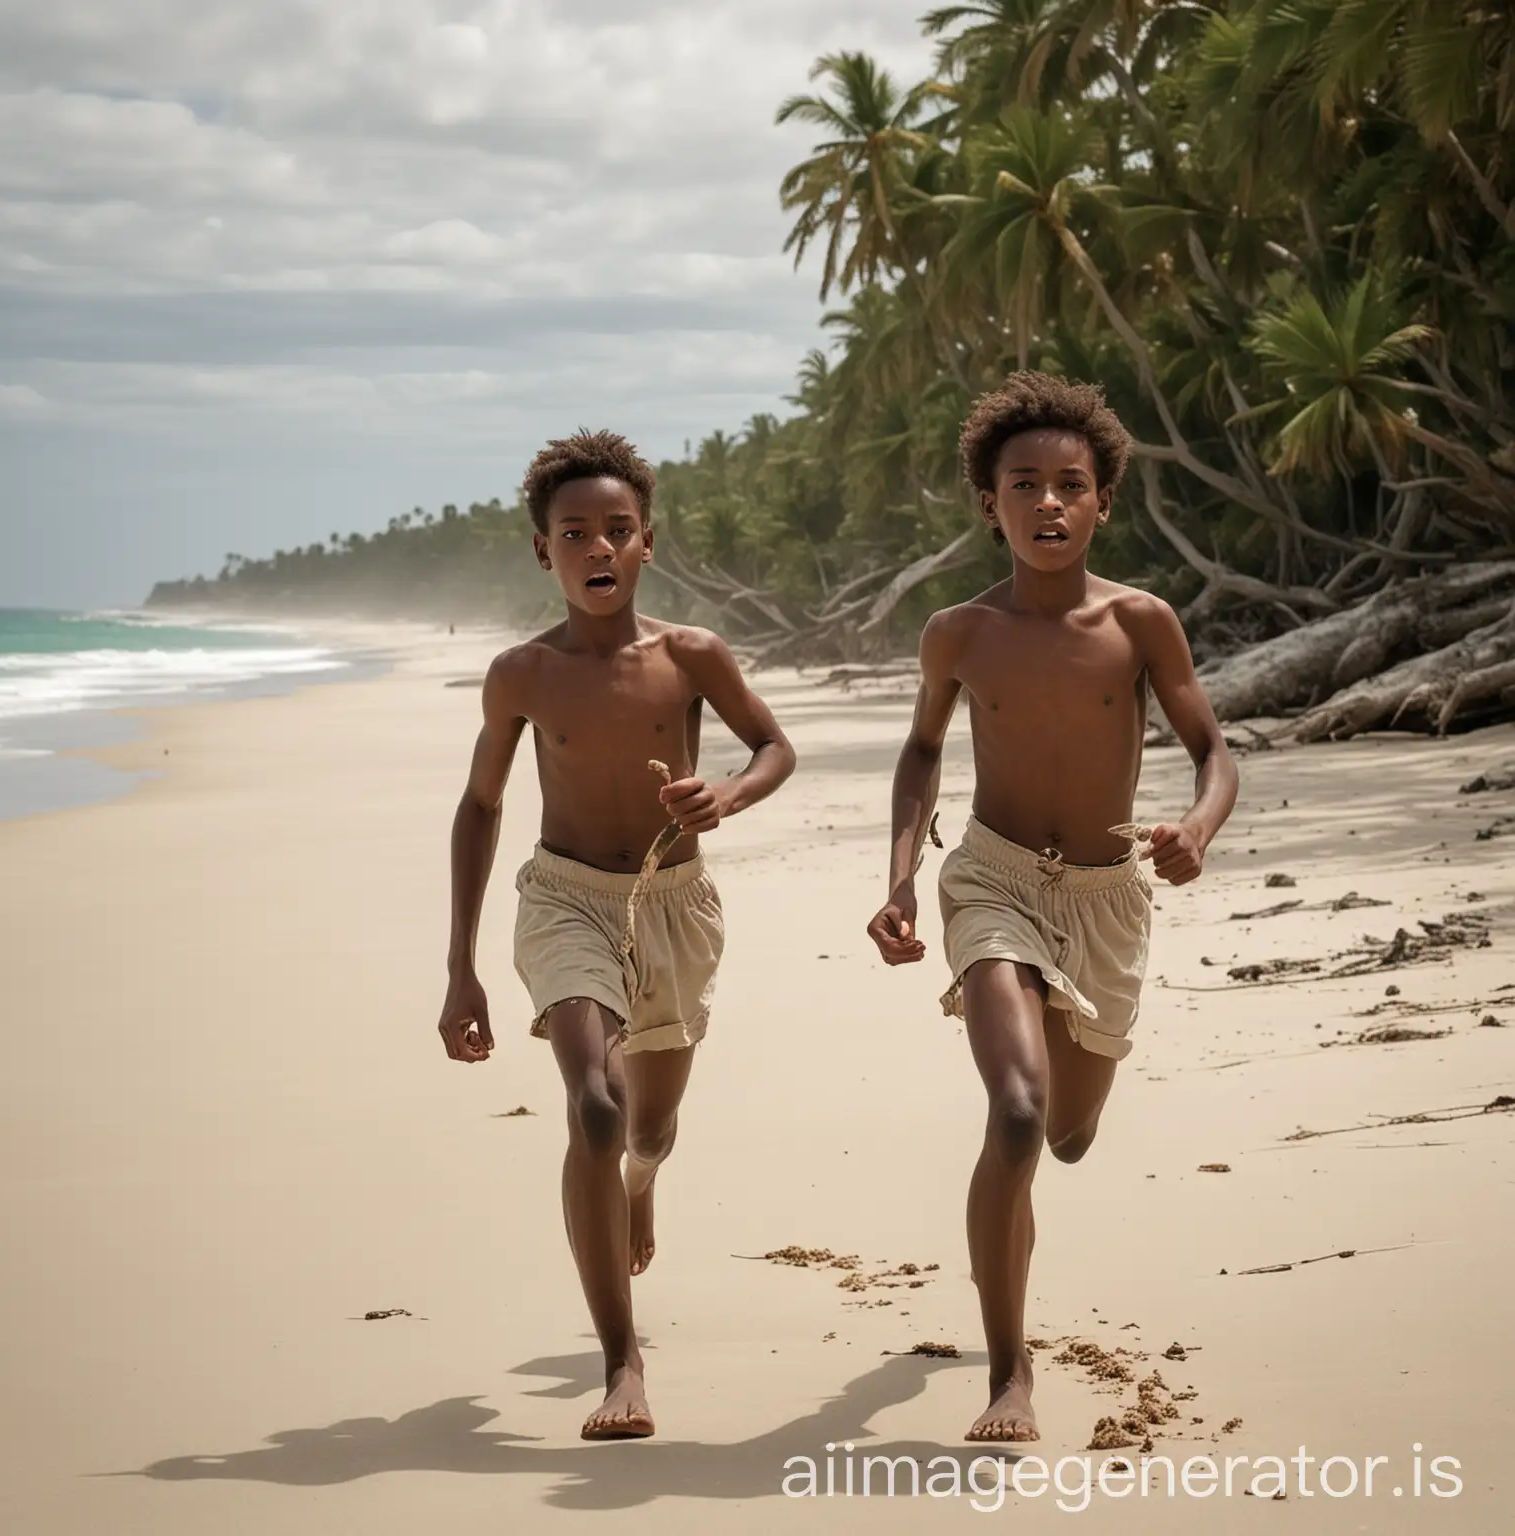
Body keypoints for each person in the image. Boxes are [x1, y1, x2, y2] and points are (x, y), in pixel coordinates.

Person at [866, 373, 1239, 1444]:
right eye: (1023, 484)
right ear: (990, 502)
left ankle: (1030, 1203)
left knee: (1069, 1136)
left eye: (1069, 485)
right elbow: (922, 756)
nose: (1047, 504)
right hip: (992, 879)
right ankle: (1007, 1371)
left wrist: (1194, 832)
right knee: (1018, 1113)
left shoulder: (1142, 622)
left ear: (1101, 501)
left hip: (1109, 895)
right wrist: (899, 879)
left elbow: (1213, 751)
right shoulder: (960, 633)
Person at [436, 430, 796, 1440]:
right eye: (574, 533)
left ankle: (641, 1184)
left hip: (672, 903)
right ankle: (621, 1360)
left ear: (648, 543)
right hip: (563, 902)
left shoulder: (689, 656)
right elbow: (479, 808)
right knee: (593, 1107)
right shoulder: (521, 674)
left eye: (617, 530)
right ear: (540, 550)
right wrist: (462, 966)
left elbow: (775, 745)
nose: (598, 548)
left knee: (646, 1128)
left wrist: (726, 790)